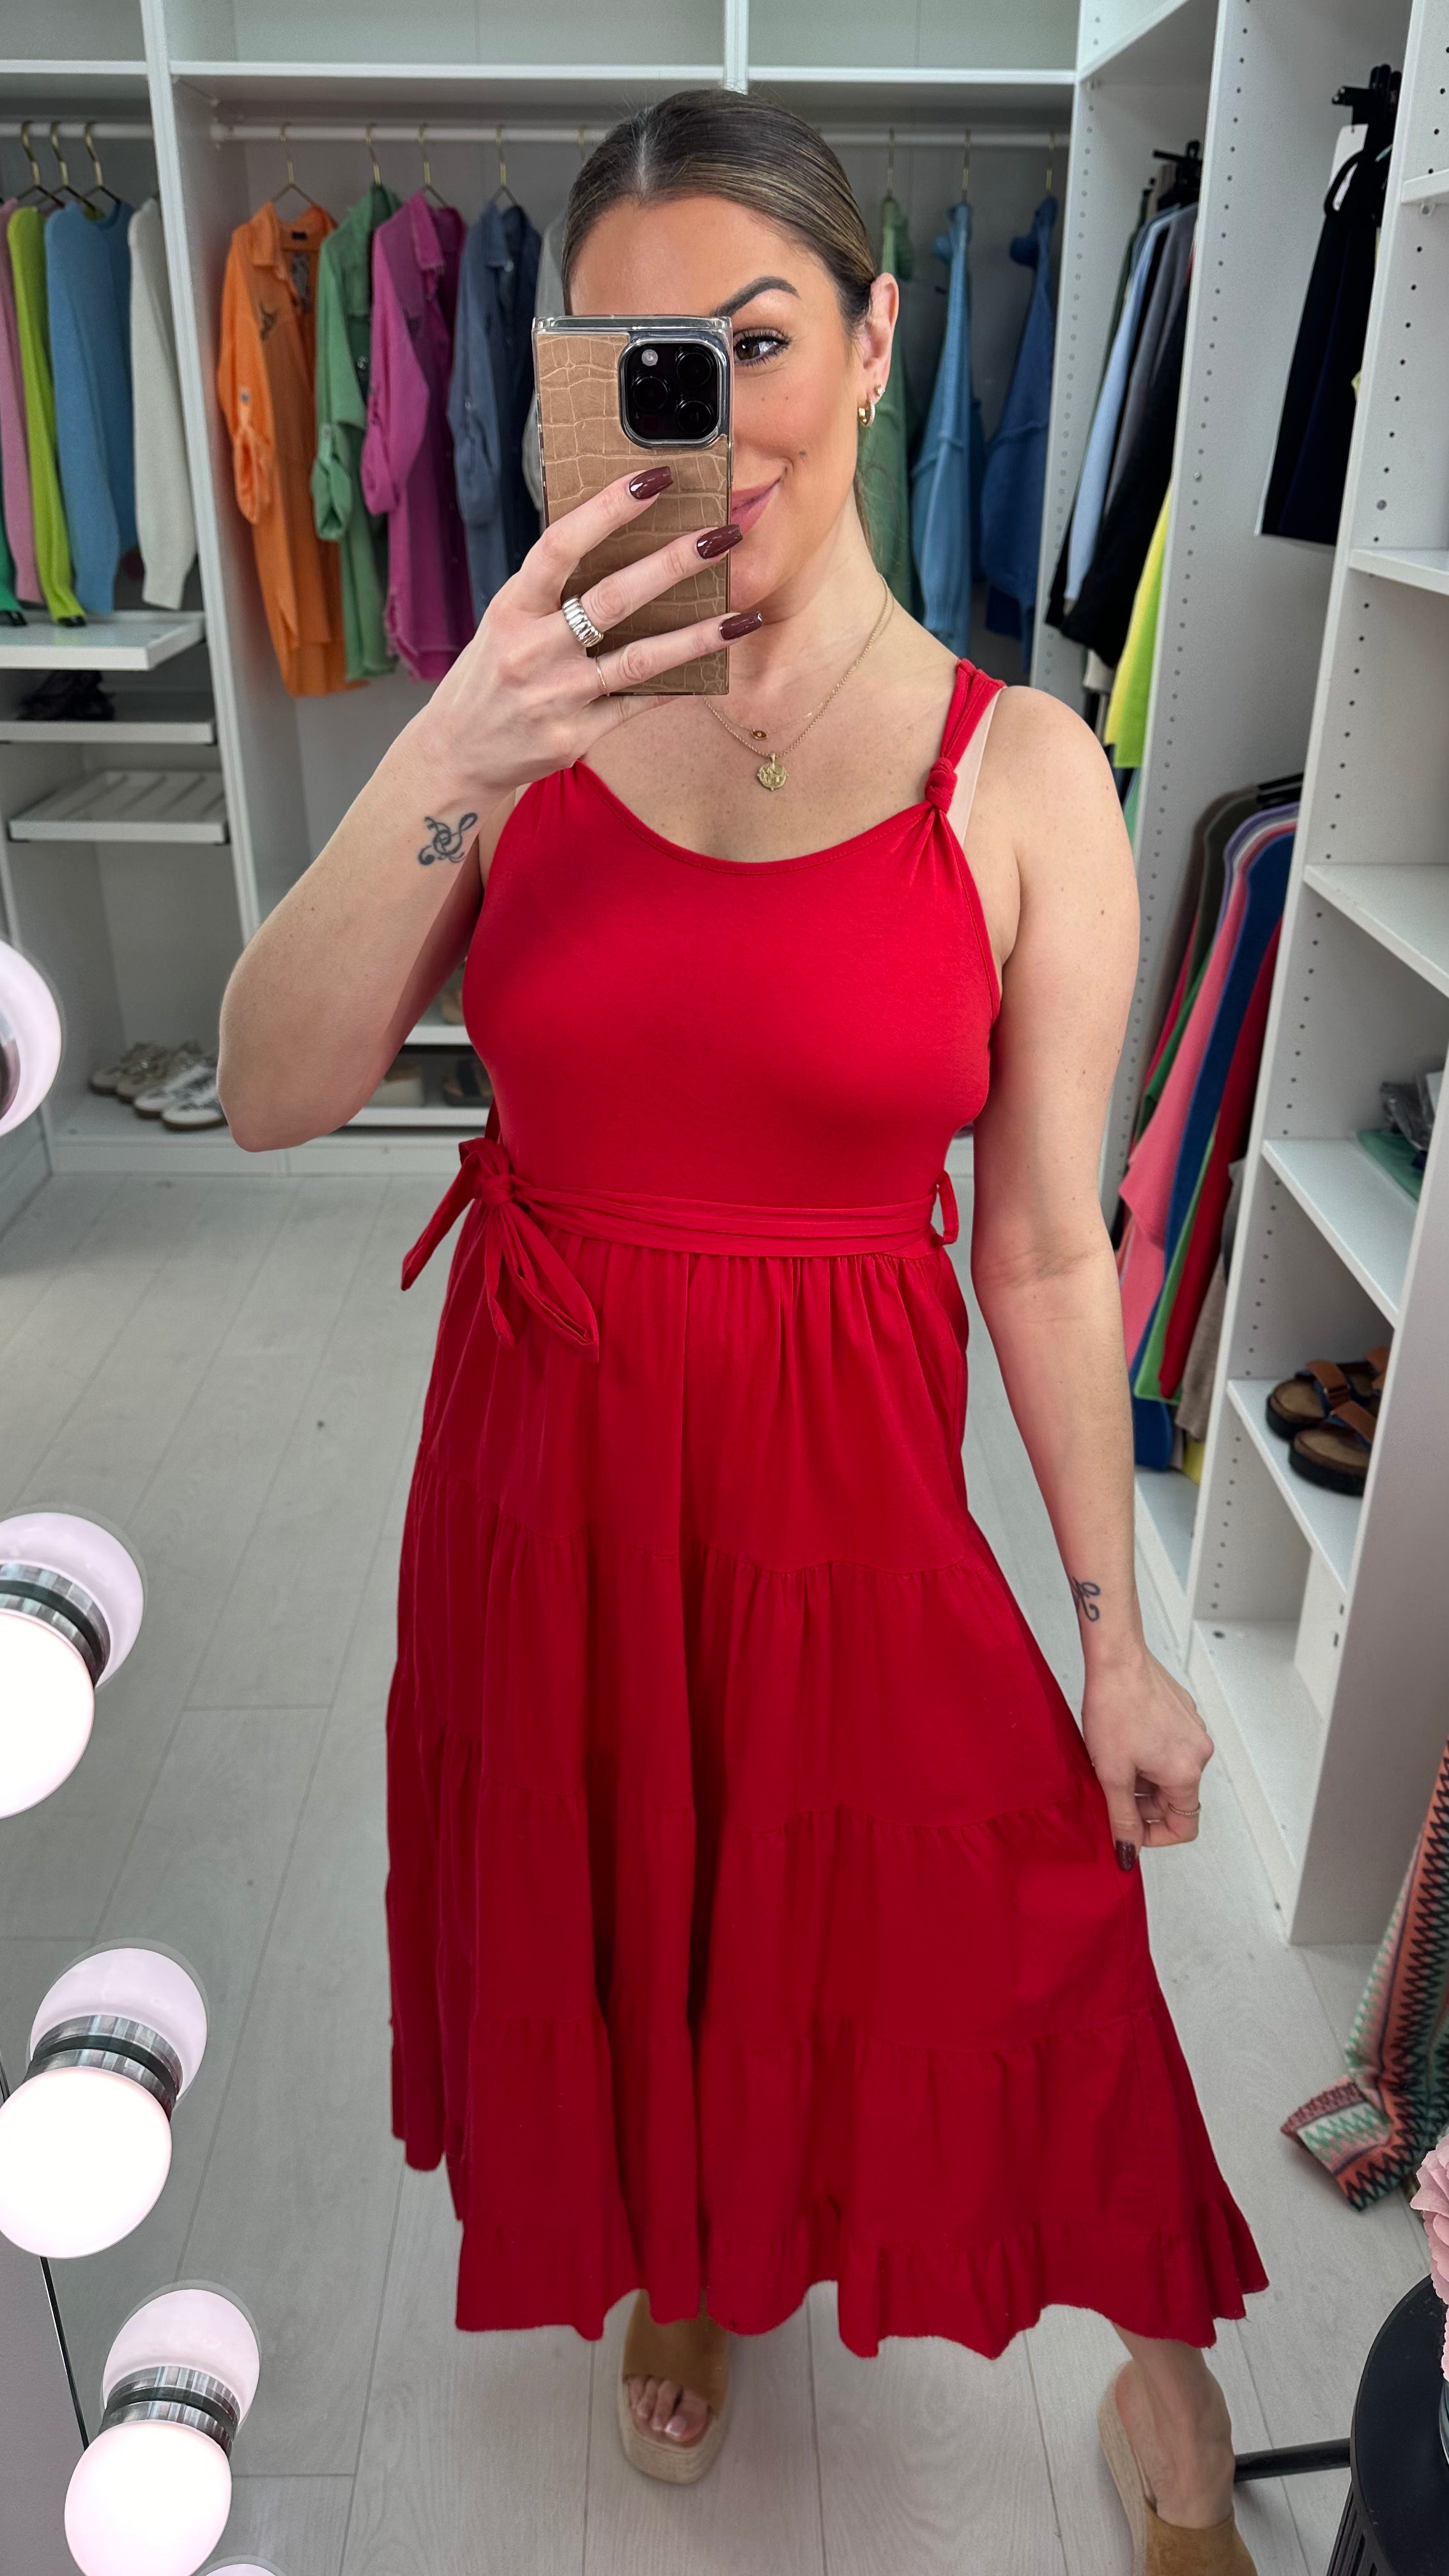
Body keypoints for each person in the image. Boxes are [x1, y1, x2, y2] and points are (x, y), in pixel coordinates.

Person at [217, 88, 1267, 2573]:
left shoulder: (1021, 774)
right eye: (641, 359)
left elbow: (1044, 1248)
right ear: (579, 391)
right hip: (549, 1482)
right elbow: (269, 1090)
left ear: (881, 343)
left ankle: (1161, 2349)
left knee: (1012, 1907)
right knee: (637, 1910)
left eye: (761, 338)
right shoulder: (518, 732)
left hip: (845, 1493)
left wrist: (1114, 1635)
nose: (716, 410)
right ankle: (686, 2265)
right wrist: (458, 741)